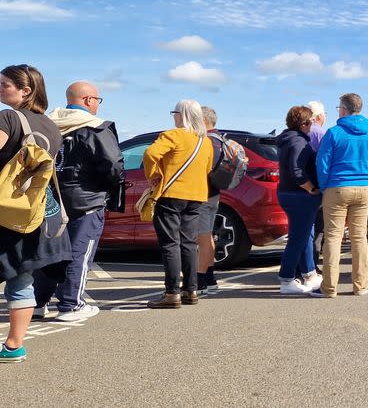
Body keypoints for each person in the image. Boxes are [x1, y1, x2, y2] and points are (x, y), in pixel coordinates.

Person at [33, 81, 124, 322]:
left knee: (48, 251)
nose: (97, 105)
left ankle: (37, 302)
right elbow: (113, 165)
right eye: (97, 100)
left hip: (50, 198)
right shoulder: (96, 128)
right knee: (78, 252)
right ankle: (70, 304)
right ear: (88, 100)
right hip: (86, 198)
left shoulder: (49, 124)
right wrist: (108, 188)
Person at [0, 64, 71, 363]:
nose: (0, 88)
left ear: (25, 91)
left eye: (5, 85)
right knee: (21, 277)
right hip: (33, 210)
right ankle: (14, 345)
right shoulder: (49, 125)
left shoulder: (8, 118)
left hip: (3, 209)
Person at [143, 100, 214, 309]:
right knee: (189, 243)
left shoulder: (173, 135)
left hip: (171, 194)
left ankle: (172, 292)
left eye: (174, 112)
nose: (173, 116)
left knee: (170, 244)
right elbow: (207, 167)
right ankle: (190, 290)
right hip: (196, 195)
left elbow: (150, 154)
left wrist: (154, 176)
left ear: (181, 115)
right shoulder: (205, 141)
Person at [312, 93, 368, 297]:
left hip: (337, 187)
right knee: (359, 237)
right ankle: (360, 285)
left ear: (343, 109)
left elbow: (322, 163)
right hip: (362, 188)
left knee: (333, 237)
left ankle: (329, 287)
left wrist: (325, 187)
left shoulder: (334, 133)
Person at [276, 105, 322, 294]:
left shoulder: (288, 139)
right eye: (310, 121)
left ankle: (309, 273)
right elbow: (297, 171)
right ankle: (287, 279)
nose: (312, 124)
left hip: (288, 193)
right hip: (299, 195)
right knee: (298, 238)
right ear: (304, 123)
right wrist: (311, 188)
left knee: (304, 235)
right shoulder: (299, 142)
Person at [195, 106, 221, 295]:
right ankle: (210, 278)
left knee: (202, 238)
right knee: (208, 236)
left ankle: (200, 280)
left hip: (203, 193)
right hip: (214, 193)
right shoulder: (219, 139)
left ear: (204, 120)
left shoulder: (207, 141)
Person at [306, 101, 327, 271]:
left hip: (299, 185)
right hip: (318, 185)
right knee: (318, 227)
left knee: (303, 226)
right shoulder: (322, 133)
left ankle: (303, 264)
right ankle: (312, 264)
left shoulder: (301, 132)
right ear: (320, 116)